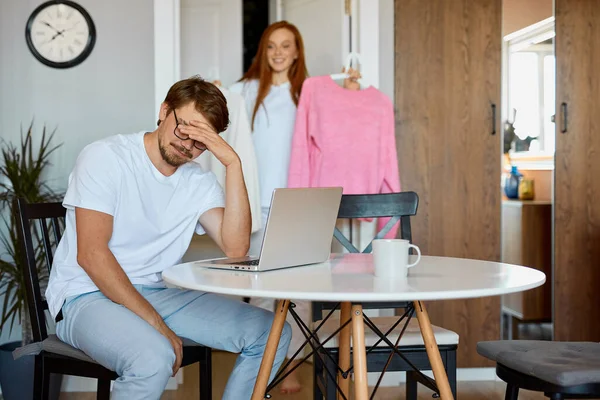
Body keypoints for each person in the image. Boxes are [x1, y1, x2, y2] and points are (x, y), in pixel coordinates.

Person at [45, 76, 292, 400]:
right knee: (153, 357)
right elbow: (91, 256)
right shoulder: (105, 157)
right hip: (85, 294)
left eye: (201, 140)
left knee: (270, 333)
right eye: (184, 129)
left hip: (154, 292)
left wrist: (233, 163)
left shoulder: (198, 182)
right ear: (164, 111)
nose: (188, 144)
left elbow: (236, 247)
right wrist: (156, 324)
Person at [228, 20, 309, 394]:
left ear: (296, 51)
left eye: (286, 46)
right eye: (271, 46)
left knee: (302, 291)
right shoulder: (244, 92)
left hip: (299, 204)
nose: (278, 53)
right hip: (257, 204)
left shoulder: (308, 92)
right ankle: (264, 365)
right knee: (262, 290)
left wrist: (352, 88)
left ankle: (290, 367)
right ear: (264, 51)